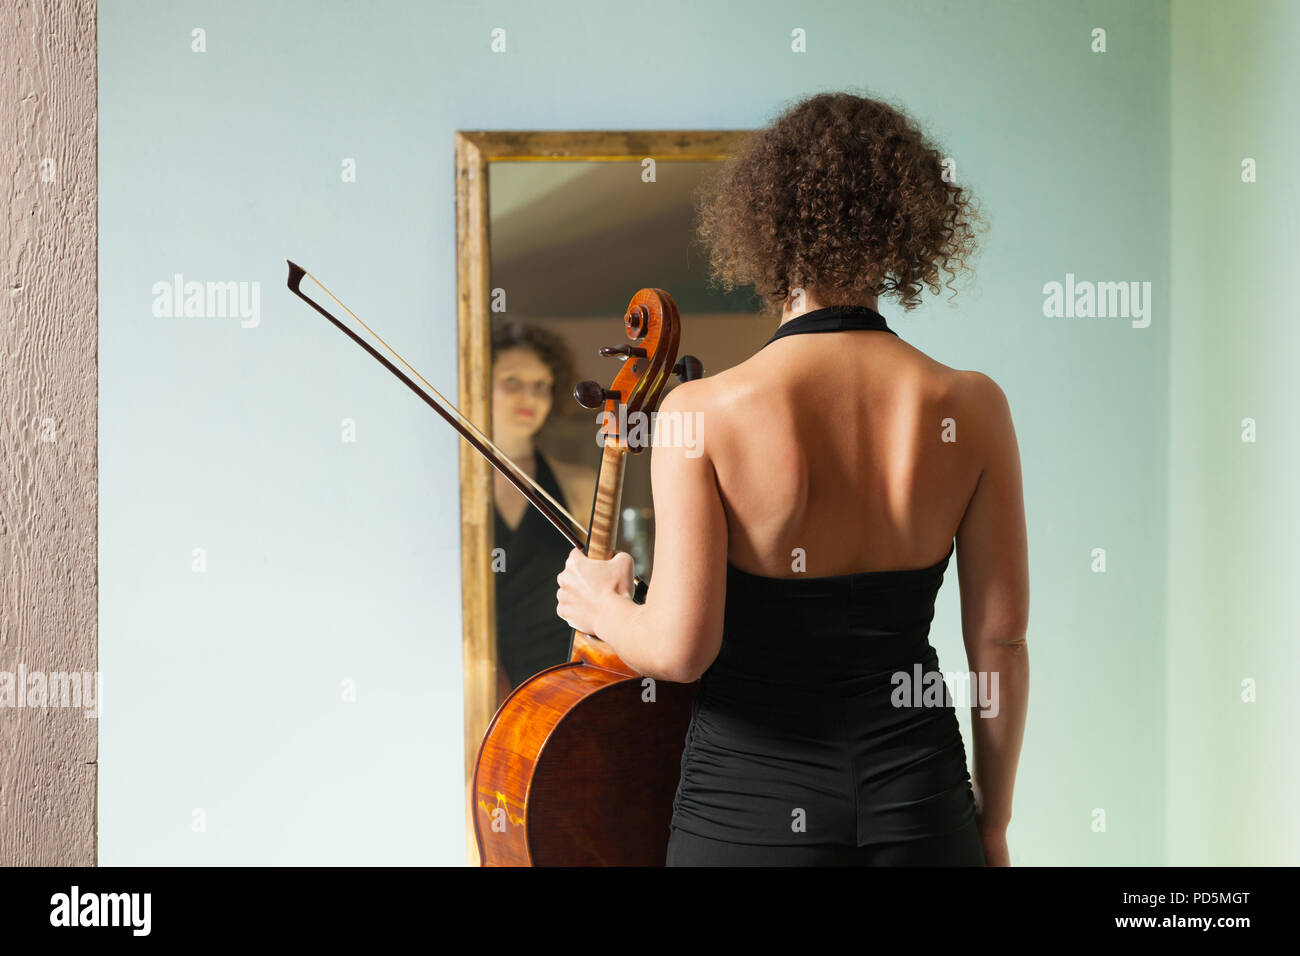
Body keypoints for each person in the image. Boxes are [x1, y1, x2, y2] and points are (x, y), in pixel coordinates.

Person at [555, 92, 1029, 866]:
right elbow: (1000, 640)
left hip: (750, 809)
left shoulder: (700, 411)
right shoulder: (972, 406)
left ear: (767, 228)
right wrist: (994, 822)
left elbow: (681, 650)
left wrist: (603, 606)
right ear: (904, 227)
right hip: (918, 797)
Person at [490, 321, 596, 704]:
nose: (529, 396)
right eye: (512, 381)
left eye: (542, 386)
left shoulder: (580, 486)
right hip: (473, 682)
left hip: (558, 683)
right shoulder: (452, 491)